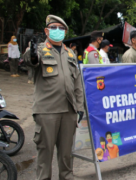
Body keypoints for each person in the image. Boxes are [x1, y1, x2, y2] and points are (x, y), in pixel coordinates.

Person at [25, 15, 84, 180]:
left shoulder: (70, 53)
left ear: (65, 32)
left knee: (66, 152)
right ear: (46, 30)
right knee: (45, 152)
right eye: (54, 27)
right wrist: (31, 52)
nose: (57, 31)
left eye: (61, 28)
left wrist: (79, 108)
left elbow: (78, 84)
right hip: (47, 111)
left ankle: (67, 176)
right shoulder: (39, 50)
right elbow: (31, 60)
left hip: (68, 111)